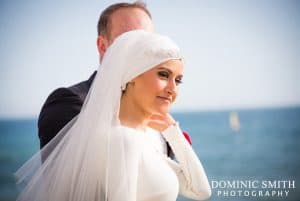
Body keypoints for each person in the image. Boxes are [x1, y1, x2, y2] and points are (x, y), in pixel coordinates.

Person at [16, 30, 211, 201]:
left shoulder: (143, 138)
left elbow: (201, 191)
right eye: (163, 74)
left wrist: (173, 133)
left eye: (178, 80)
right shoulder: (122, 140)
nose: (172, 89)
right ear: (132, 75)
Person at [38, 2, 154, 149]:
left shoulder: (153, 108)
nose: (141, 50)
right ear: (102, 46)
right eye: (129, 40)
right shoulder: (67, 102)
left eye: (148, 43)